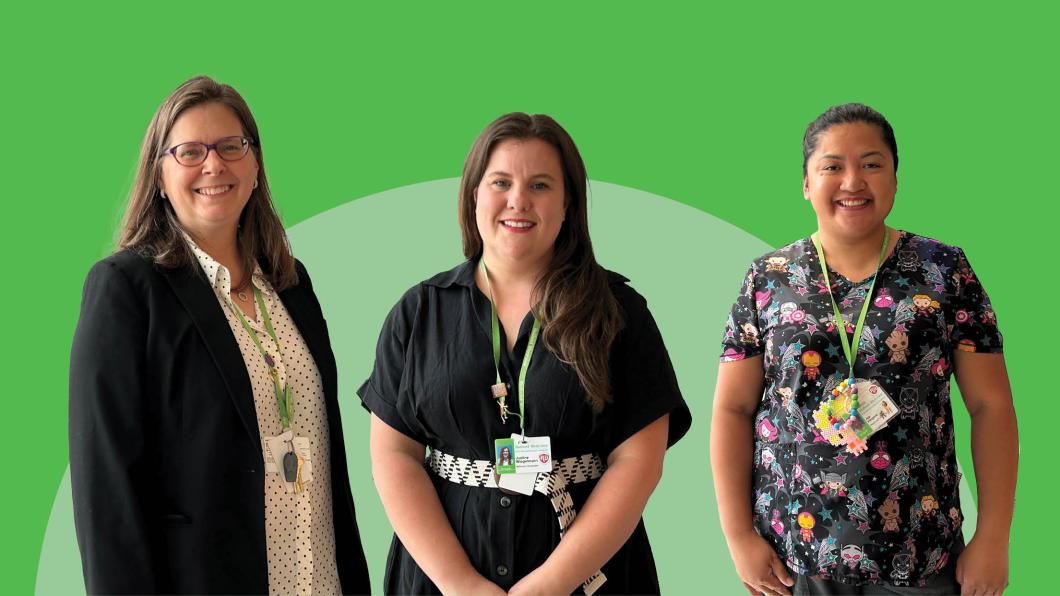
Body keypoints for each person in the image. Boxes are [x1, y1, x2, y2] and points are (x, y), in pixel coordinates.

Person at [359, 112, 691, 595]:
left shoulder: (620, 313)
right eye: (500, 182)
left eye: (540, 185)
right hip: (439, 583)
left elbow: (639, 462)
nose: (518, 201)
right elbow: (394, 455)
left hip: (590, 582)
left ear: (567, 203)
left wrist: (553, 583)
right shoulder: (417, 313)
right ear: (474, 194)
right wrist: (461, 585)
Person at [69, 76, 370, 595]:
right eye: (190, 152)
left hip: (319, 578)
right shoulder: (125, 289)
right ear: (159, 176)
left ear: (255, 167)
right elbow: (108, 494)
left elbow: (329, 461)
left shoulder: (292, 284)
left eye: (232, 147)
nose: (214, 165)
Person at [711, 103, 1017, 596]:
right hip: (793, 555)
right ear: (807, 183)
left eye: (871, 164)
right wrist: (738, 536)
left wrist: (995, 537)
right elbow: (733, 407)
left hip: (922, 550)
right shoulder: (768, 279)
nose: (852, 181)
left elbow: (991, 406)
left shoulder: (944, 269)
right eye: (832, 166)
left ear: (895, 179)